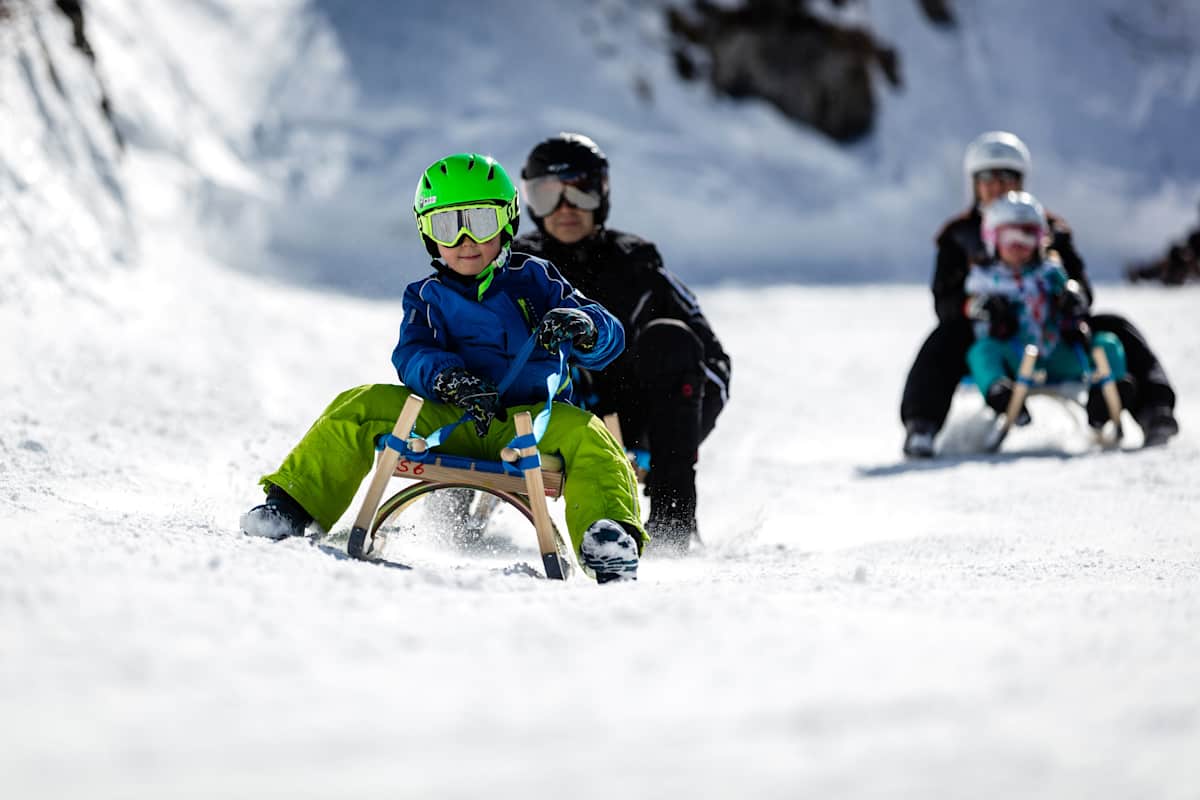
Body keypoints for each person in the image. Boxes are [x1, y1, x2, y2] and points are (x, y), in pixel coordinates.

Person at [240, 153, 645, 583]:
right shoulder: (427, 296)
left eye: (480, 222)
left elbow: (607, 335)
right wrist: (448, 379)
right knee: (359, 404)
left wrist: (583, 327)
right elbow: (413, 352)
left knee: (590, 434)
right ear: (428, 234)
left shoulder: (536, 280)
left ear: (506, 223)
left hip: (530, 425)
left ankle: (607, 538)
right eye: (447, 227)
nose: (466, 239)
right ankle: (292, 506)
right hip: (449, 416)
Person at [512, 132, 731, 554]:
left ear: (603, 193)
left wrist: (671, 437)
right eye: (547, 196)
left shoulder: (637, 265)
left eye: (581, 193)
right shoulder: (515, 267)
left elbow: (712, 366)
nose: (565, 210)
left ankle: (672, 525)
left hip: (635, 423)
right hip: (541, 419)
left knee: (671, 339)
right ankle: (449, 523)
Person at [900, 130, 1179, 456]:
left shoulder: (1051, 230)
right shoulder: (957, 236)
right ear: (974, 183)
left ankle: (1154, 411)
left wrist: (1072, 298)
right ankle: (921, 425)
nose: (997, 185)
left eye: (1007, 176)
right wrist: (976, 307)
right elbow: (944, 300)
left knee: (1115, 329)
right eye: (988, 177)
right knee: (945, 338)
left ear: (1021, 180)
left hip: (1056, 332)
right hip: (993, 336)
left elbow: (1080, 285)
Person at [965, 191, 1132, 427]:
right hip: (1013, 357)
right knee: (981, 352)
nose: (1018, 246)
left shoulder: (1051, 274)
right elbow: (971, 307)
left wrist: (1073, 309)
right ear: (993, 239)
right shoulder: (983, 280)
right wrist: (989, 311)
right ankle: (1001, 394)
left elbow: (1077, 299)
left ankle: (1104, 399)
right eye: (1009, 237)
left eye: (1027, 237)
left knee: (1107, 344)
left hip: (1058, 352)